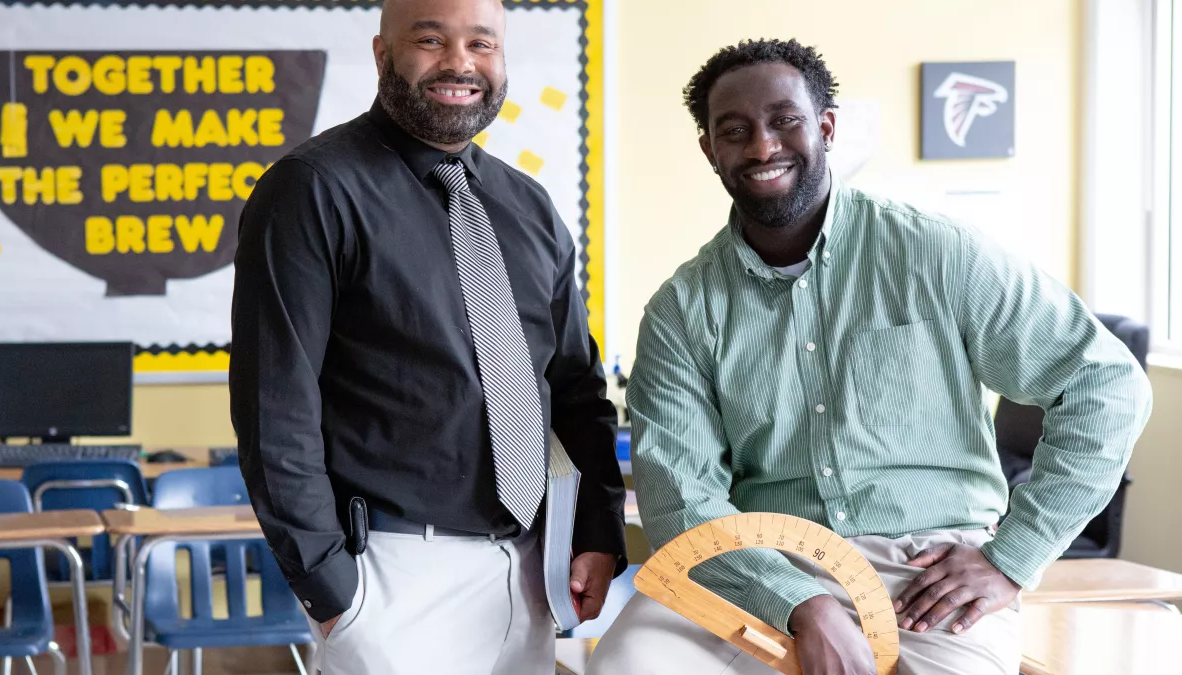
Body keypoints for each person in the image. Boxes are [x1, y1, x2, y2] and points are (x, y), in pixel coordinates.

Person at [586, 38, 1152, 675]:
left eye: (785, 121)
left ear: (826, 126)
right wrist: (802, 602)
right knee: (629, 664)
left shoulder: (940, 254)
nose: (763, 146)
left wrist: (1011, 558)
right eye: (735, 130)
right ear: (709, 149)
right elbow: (680, 501)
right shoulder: (682, 310)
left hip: (927, 571)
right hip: (752, 565)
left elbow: (1104, 383)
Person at [228, 0, 626, 673]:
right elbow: (276, 409)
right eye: (431, 40)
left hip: (527, 572)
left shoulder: (530, 208)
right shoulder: (312, 190)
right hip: (390, 577)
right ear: (383, 54)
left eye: (482, 43)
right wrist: (335, 593)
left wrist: (596, 532)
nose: (460, 64)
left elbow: (575, 391)